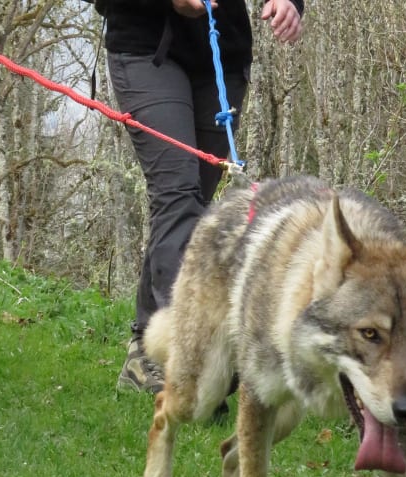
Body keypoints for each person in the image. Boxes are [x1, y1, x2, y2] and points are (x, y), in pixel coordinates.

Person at [105, 0, 304, 393]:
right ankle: (187, 359)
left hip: (221, 56)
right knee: (177, 197)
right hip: (145, 49)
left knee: (189, 209)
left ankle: (145, 353)